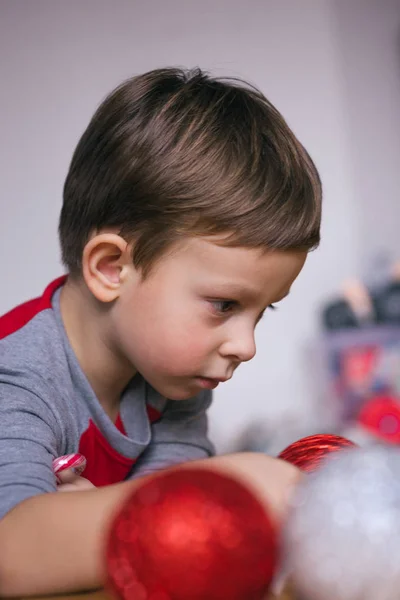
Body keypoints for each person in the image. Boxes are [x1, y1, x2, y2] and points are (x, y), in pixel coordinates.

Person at [0, 67, 321, 596]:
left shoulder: (172, 378)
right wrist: (226, 485)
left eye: (263, 312)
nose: (246, 346)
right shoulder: (19, 377)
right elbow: (10, 552)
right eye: (224, 304)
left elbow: (171, 530)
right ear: (110, 268)